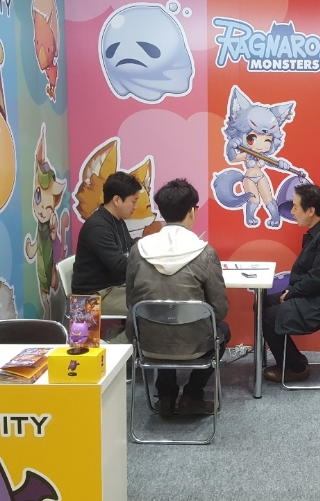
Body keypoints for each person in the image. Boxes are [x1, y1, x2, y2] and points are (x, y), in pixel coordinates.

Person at [126, 179, 230, 415]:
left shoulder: (138, 250)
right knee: (223, 330)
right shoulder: (205, 253)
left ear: (162, 211)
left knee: (160, 324)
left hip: (147, 343)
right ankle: (192, 395)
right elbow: (219, 310)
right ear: (193, 211)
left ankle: (166, 396)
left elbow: (131, 302)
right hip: (194, 343)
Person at [261, 184, 320, 383]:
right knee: (262, 303)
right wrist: (292, 290)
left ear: (311, 211)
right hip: (318, 292)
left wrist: (292, 292)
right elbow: (314, 274)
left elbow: (318, 277)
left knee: (269, 317)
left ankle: (295, 369)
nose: (292, 212)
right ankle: (294, 358)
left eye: (295, 207)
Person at [72, 172, 142, 325]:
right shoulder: (97, 227)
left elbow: (132, 250)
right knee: (146, 306)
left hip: (112, 287)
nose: (135, 207)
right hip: (90, 298)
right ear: (117, 200)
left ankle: (123, 337)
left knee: (151, 296)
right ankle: (119, 338)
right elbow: (121, 267)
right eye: (133, 201)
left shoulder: (117, 221)